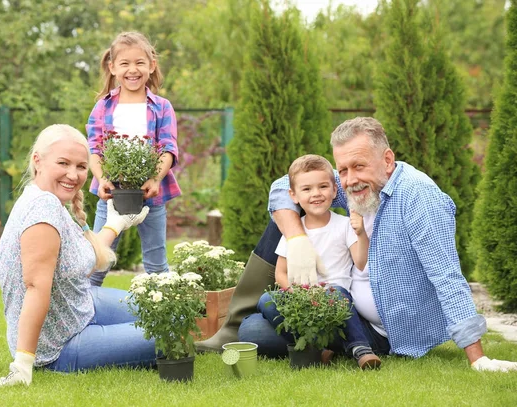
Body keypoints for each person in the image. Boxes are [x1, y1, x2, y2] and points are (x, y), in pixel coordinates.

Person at [198, 117, 517, 372]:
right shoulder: (356, 186)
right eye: (343, 169)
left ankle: (345, 347)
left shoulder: (419, 199)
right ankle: (236, 325)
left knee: (253, 334)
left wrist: (478, 358)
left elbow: (447, 277)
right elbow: (285, 186)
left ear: (387, 159)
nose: (349, 179)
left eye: (358, 166)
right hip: (333, 303)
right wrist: (296, 240)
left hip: (381, 333)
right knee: (291, 214)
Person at [0, 124, 155, 387]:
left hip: (82, 306)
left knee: (167, 313)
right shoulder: (42, 210)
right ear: (38, 161)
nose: (73, 174)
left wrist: (116, 223)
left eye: (81, 166)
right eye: (63, 163)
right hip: (61, 345)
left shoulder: (44, 197)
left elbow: (81, 257)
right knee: (172, 334)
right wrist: (23, 363)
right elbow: (35, 287)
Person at [257, 154, 380, 369]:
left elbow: (360, 263)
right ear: (293, 195)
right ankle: (319, 347)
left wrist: (361, 235)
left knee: (337, 292)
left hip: (335, 300)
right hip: (302, 299)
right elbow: (280, 274)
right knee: (266, 300)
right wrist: (298, 294)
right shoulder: (293, 231)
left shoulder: (343, 225)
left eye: (323, 187)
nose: (316, 194)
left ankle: (361, 349)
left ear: (334, 190)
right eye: (307, 189)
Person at [86, 31, 180, 286]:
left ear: (151, 65)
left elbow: (168, 149)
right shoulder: (103, 107)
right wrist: (102, 178)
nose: (133, 70)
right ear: (113, 67)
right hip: (111, 194)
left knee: (156, 265)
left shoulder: (162, 107)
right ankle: (80, 317)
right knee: (97, 261)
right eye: (125, 63)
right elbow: (94, 149)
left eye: (139, 63)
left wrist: (155, 178)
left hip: (151, 195)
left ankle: (165, 321)